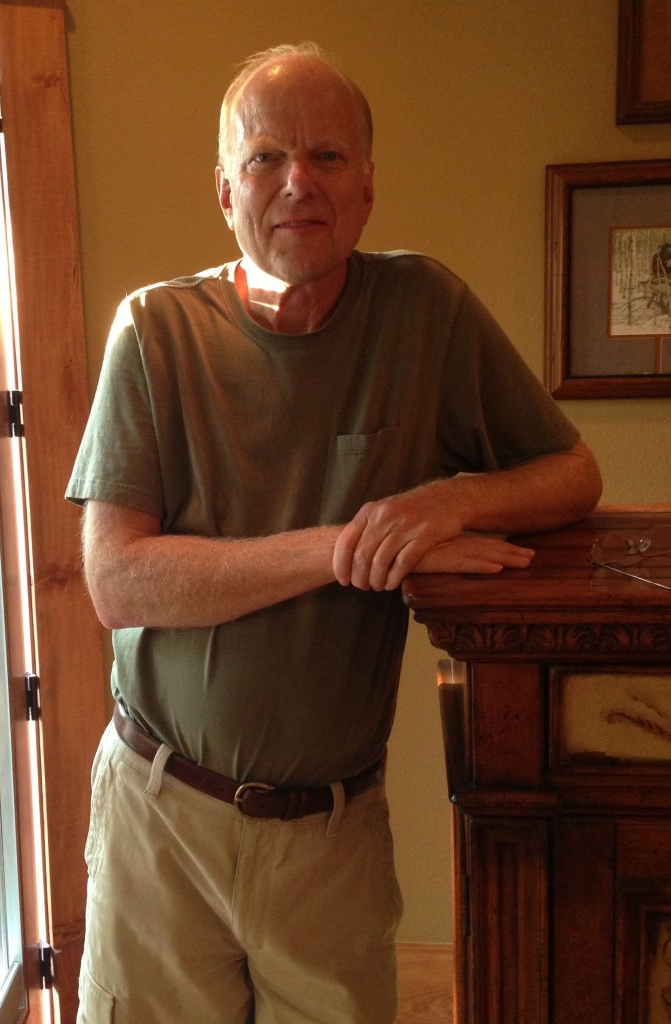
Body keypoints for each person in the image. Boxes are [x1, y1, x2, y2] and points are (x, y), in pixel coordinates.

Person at [66, 41, 602, 1024]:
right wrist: (348, 545)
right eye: (265, 158)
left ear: (365, 187)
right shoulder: (152, 330)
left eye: (326, 156)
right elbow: (118, 581)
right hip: (159, 815)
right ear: (224, 191)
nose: (295, 182)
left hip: (331, 832)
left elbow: (571, 472)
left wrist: (448, 503)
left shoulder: (426, 311)